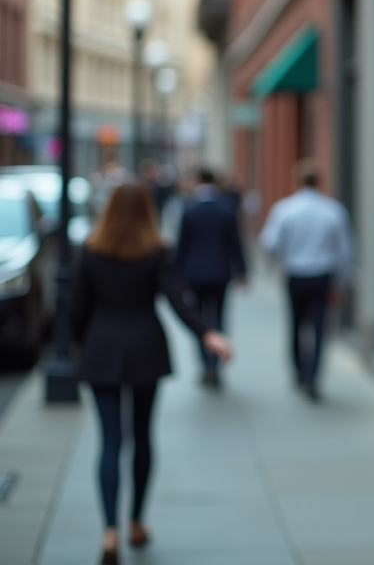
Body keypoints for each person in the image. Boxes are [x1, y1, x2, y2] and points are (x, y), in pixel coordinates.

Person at [70, 182, 233, 565]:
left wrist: (84, 346)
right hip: (145, 347)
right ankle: (137, 522)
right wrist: (208, 333)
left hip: (102, 349)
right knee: (141, 437)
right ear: (147, 211)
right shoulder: (155, 252)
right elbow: (179, 300)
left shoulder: (90, 252)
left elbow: (76, 310)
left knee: (110, 443)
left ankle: (110, 532)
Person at [258, 159, 354, 400]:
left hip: (296, 275)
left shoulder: (285, 209)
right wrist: (339, 283)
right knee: (320, 328)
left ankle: (299, 373)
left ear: (297, 181)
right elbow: (345, 251)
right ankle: (313, 376)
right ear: (320, 182)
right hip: (322, 276)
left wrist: (277, 263)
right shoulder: (333, 210)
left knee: (295, 325)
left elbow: (268, 243)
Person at [174, 167, 247, 387]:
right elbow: (236, 243)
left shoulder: (189, 209)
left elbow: (182, 246)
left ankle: (205, 363)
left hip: (194, 273)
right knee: (219, 318)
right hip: (220, 272)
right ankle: (215, 362)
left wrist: (176, 274)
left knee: (199, 319)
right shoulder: (226, 209)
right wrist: (241, 271)